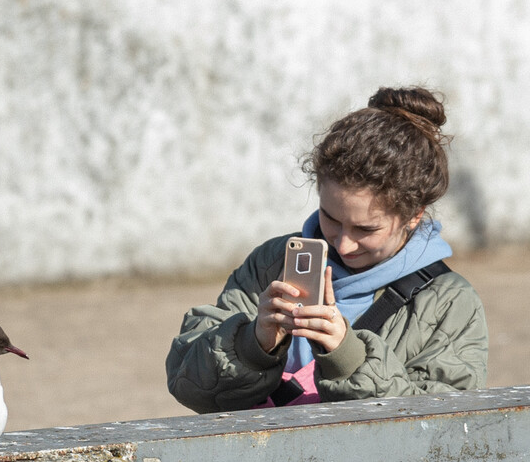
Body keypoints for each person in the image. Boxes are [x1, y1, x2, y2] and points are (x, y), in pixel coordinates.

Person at [166, 87, 489, 411]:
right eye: (330, 218)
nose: (344, 243)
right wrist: (253, 343)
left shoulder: (450, 303)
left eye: (366, 229)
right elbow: (188, 385)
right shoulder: (272, 262)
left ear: (414, 214)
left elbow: (442, 428)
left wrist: (347, 357)